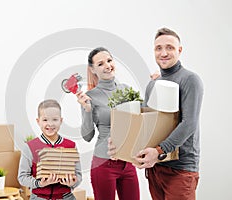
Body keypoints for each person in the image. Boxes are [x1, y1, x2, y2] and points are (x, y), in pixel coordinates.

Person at [108, 27, 204, 200]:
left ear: (179, 50)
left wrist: (159, 150)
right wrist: (121, 145)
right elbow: (146, 125)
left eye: (170, 47)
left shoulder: (190, 80)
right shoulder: (153, 84)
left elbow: (189, 123)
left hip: (180, 169)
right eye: (158, 48)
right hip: (155, 168)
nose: (164, 53)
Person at [76, 47, 140, 200]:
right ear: (92, 70)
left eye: (109, 61)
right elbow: (87, 136)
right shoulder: (89, 97)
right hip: (104, 163)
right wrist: (86, 109)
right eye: (100, 64)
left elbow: (139, 122)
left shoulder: (127, 90)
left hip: (128, 161)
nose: (107, 66)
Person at [18, 99, 82, 200]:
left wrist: (73, 183)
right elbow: (22, 177)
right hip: (39, 198)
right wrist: (39, 183)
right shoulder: (30, 147)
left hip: (66, 197)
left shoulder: (71, 145)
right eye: (45, 120)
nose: (50, 124)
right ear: (38, 121)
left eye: (55, 119)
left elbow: (78, 174)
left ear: (61, 121)